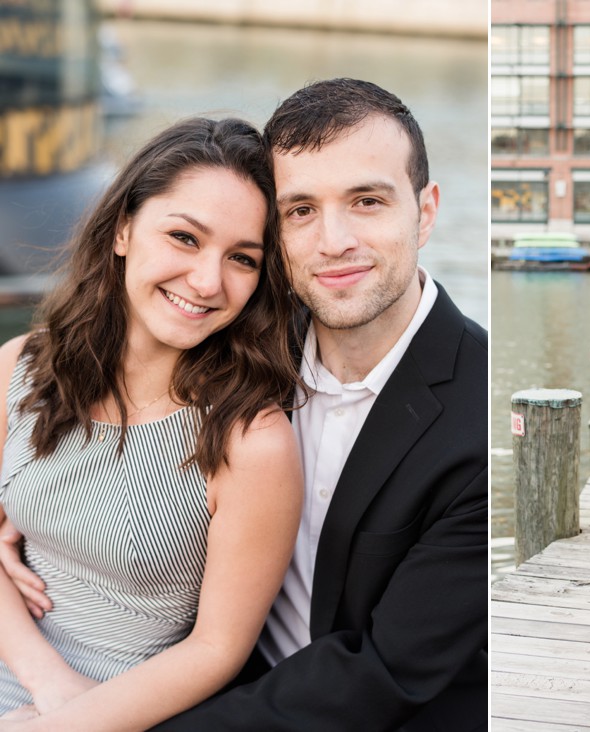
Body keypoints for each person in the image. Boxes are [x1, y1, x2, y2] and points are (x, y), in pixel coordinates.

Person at [144, 78, 484, 730]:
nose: (333, 241)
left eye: (366, 201)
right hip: (207, 680)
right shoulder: (238, 340)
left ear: (427, 209)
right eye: (301, 210)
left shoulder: (477, 413)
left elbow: (382, 674)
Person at [0, 118, 303, 727]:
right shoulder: (19, 366)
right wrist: (45, 679)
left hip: (117, 710)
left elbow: (216, 651)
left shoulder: (252, 442)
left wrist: (59, 720)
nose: (208, 281)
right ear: (122, 229)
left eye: (242, 258)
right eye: (185, 238)